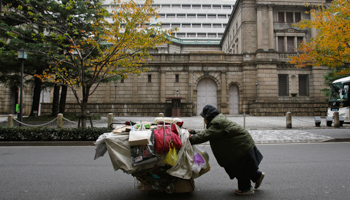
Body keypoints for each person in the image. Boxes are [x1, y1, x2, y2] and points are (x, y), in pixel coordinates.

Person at [189, 105, 265, 195]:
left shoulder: (217, 124)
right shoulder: (217, 122)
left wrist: (190, 140)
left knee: (240, 169)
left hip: (241, 148)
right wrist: (193, 132)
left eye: (204, 118)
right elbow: (208, 132)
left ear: (208, 117)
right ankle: (257, 176)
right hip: (242, 145)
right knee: (245, 167)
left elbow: (206, 135)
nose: (203, 120)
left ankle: (246, 189)